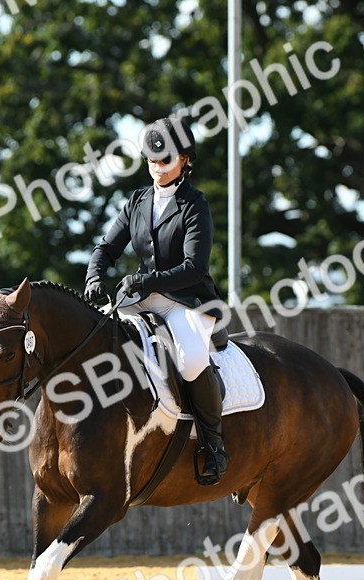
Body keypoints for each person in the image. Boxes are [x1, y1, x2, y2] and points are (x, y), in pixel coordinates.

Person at [84, 117, 228, 486]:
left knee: (192, 361)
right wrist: (95, 275)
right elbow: (106, 247)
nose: (156, 167)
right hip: (141, 299)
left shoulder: (195, 205)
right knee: (94, 337)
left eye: (164, 161)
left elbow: (194, 267)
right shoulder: (137, 201)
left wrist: (147, 280)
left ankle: (214, 445)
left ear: (185, 160)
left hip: (185, 300)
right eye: (151, 159)